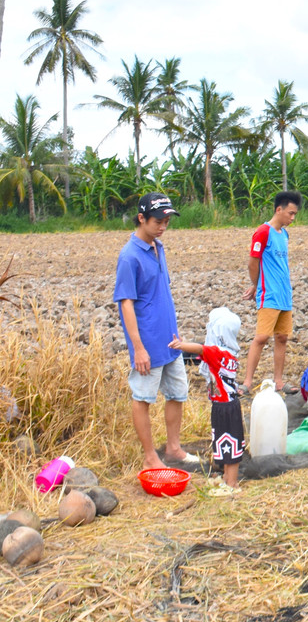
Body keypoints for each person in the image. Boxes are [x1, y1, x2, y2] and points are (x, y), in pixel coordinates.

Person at [113, 192, 198, 472]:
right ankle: (151, 456)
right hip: (147, 343)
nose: (163, 226)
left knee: (177, 393)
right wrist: (138, 347)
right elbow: (126, 304)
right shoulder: (129, 257)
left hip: (170, 340)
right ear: (141, 218)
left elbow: (160, 293)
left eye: (167, 221)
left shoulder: (158, 248)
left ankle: (173, 449)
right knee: (143, 398)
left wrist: (176, 332)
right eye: (158, 221)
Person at [169, 307, 244, 494]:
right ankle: (227, 477)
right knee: (225, 442)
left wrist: (180, 345)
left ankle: (232, 483)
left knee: (229, 443)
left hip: (225, 407)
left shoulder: (218, 353)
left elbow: (199, 349)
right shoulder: (229, 352)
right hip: (224, 404)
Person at [242, 190, 301, 391]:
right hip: (269, 294)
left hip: (285, 295)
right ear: (279, 209)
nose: (292, 218)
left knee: (282, 337)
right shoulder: (262, 232)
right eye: (290, 213)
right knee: (261, 337)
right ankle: (247, 383)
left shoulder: (284, 234)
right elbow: (253, 261)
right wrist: (255, 284)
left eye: (295, 215)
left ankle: (279, 382)